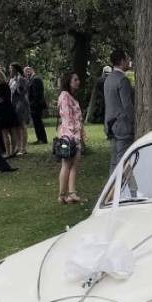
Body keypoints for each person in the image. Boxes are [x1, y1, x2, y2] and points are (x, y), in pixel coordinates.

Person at [104, 48, 135, 170]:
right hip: (122, 125)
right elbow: (127, 105)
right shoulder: (122, 80)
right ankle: (121, 188)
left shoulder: (108, 79)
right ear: (122, 61)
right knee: (123, 160)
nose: (128, 62)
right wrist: (133, 121)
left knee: (114, 161)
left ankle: (112, 187)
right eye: (127, 59)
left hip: (110, 123)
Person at [57, 71, 85, 203]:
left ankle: (68, 193)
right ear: (68, 81)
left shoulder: (71, 97)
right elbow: (68, 119)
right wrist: (73, 138)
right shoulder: (65, 96)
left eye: (78, 79)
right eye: (75, 80)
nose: (78, 82)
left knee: (72, 164)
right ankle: (65, 194)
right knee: (68, 164)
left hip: (73, 134)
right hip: (69, 136)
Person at [8, 63, 30, 156]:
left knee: (22, 125)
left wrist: (18, 83)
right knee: (16, 126)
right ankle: (18, 146)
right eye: (10, 69)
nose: (10, 71)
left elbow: (22, 92)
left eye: (11, 69)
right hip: (13, 105)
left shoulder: (22, 79)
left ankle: (23, 148)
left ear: (16, 70)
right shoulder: (11, 80)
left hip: (21, 105)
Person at [0, 81, 19, 157]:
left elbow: (1, 100)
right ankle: (13, 150)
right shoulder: (7, 86)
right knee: (13, 131)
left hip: (3, 111)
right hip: (10, 109)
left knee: (4, 132)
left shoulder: (0, 87)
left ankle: (8, 152)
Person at [26, 66, 49, 144]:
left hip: (37, 105)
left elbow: (37, 94)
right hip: (34, 104)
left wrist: (32, 103)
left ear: (32, 70)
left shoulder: (36, 79)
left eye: (28, 71)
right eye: (26, 72)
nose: (27, 74)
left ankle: (42, 139)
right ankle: (40, 138)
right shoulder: (32, 79)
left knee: (38, 122)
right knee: (36, 122)